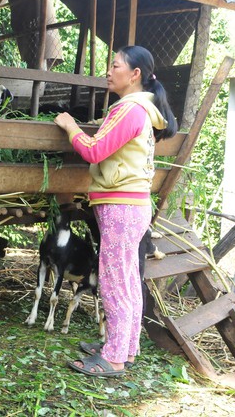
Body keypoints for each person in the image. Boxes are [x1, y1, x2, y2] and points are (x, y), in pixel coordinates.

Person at [54, 45, 177, 377]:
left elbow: (94, 151)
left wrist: (70, 126)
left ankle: (114, 358)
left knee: (114, 282)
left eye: (116, 65)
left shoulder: (130, 110)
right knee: (126, 280)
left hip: (122, 205)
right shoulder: (141, 109)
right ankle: (125, 347)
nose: (109, 71)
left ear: (135, 74)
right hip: (130, 204)